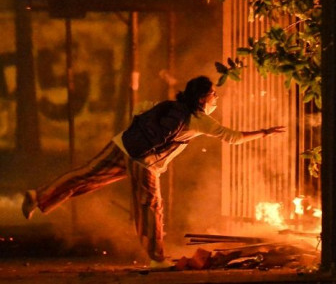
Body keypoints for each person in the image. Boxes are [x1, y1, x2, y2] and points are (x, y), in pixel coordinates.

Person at [20, 75, 286, 269]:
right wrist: (264, 132)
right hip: (144, 162)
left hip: (122, 143)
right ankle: (156, 258)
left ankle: (38, 195)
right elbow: (233, 138)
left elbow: (139, 110)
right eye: (214, 94)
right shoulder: (200, 120)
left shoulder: (170, 106)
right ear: (204, 97)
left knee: (85, 174)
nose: (217, 97)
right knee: (151, 206)